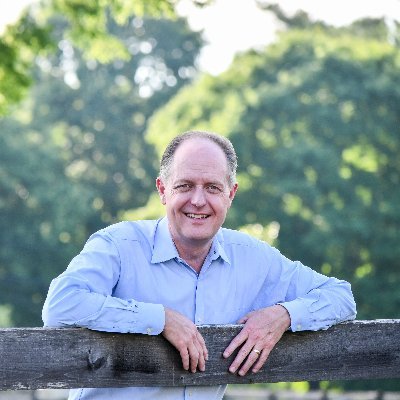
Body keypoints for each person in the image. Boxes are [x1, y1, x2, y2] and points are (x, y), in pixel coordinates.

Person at [42, 130, 356, 400]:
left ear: (231, 194)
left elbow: (340, 296)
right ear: (163, 190)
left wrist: (283, 315)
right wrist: (159, 319)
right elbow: (61, 305)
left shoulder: (253, 258)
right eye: (184, 186)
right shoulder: (118, 245)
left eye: (212, 188)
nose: (198, 200)